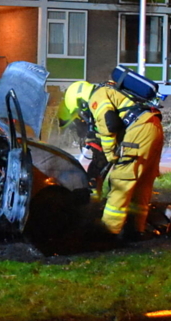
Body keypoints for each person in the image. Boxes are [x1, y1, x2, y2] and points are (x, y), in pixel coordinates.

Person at [60, 67, 165, 242]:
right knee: (142, 182)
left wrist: (110, 154)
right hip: (153, 126)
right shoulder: (109, 89)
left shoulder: (97, 96)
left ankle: (108, 233)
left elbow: (108, 124)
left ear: (81, 101)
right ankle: (136, 229)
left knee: (120, 181)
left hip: (139, 130)